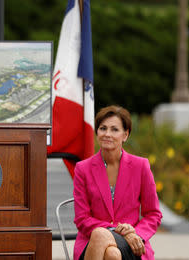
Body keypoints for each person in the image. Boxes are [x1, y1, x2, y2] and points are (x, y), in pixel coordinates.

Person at [73, 105, 162, 260]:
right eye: (103, 128)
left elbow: (153, 214)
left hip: (133, 243)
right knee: (111, 252)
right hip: (91, 243)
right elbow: (82, 218)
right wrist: (116, 230)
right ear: (97, 132)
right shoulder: (82, 169)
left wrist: (137, 234)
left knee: (106, 242)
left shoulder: (141, 166)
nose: (107, 134)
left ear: (125, 135)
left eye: (114, 129)